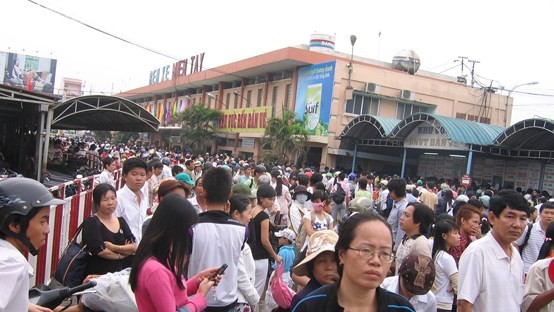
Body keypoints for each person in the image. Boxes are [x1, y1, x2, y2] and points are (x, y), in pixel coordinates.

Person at [292, 213, 414, 311]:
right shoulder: (310, 306)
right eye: (366, 250)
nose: (376, 261)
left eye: (385, 253)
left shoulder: (402, 308)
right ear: (342, 255)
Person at [130, 194, 220, 312]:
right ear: (176, 229)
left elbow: (170, 294)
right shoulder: (156, 270)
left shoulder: (161, 258)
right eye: (187, 229)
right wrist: (199, 298)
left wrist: (197, 281)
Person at [458, 189, 529, 312]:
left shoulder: (516, 256)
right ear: (492, 218)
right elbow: (464, 304)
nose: (517, 224)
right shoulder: (477, 252)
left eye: (523, 218)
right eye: (510, 216)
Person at [0, 177, 65, 312]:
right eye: (42, 221)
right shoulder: (11, 263)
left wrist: (24, 306)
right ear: (15, 225)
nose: (47, 230)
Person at [187, 167, 248, 311]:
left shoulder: (191, 227)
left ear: (204, 192)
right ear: (230, 194)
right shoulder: (242, 230)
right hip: (227, 300)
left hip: (196, 299)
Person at [82, 183, 137, 277]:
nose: (111, 202)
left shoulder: (121, 221)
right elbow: (101, 251)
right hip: (99, 275)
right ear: (97, 202)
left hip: (122, 275)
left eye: (113, 198)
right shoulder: (92, 223)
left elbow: (134, 247)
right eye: (105, 199)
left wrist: (113, 247)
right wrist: (121, 255)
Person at [248, 183, 283, 298]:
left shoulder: (251, 212)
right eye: (270, 199)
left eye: (274, 200)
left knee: (249, 290)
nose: (272, 202)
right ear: (261, 198)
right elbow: (265, 241)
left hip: (250, 255)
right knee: (256, 293)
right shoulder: (263, 216)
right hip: (261, 257)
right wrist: (275, 255)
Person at [291, 230, 339, 309]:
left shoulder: (351, 294)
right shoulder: (304, 300)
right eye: (321, 261)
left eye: (334, 260)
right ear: (312, 268)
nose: (329, 267)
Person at [229, 194, 260, 311]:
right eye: (248, 212)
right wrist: (254, 298)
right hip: (239, 299)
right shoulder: (234, 239)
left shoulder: (240, 236)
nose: (250, 217)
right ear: (236, 214)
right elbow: (240, 276)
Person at [515, 202, 554, 274]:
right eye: (546, 213)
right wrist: (518, 261)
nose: (549, 216)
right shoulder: (529, 229)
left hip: (547, 273)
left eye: (552, 213)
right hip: (527, 271)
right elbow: (515, 244)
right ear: (540, 214)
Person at [116, 158, 148, 244]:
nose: (139, 178)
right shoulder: (118, 198)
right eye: (134, 174)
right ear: (125, 176)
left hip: (138, 249)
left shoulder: (144, 197)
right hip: (124, 250)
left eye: (142, 175)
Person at [395, 201, 433, 273]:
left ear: (418, 222)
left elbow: (426, 273)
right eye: (403, 214)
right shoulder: (406, 238)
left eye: (407, 215)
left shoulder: (421, 243)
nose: (401, 218)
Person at [432, 220, 460, 312]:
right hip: (443, 304)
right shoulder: (447, 258)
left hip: (435, 300)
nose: (458, 236)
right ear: (444, 236)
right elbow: (458, 285)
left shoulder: (437, 254)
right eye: (455, 233)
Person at [386, 178, 410, 251]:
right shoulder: (396, 204)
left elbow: (401, 231)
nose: (389, 193)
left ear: (395, 191)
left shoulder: (402, 208)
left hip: (393, 243)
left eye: (390, 191)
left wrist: (396, 249)